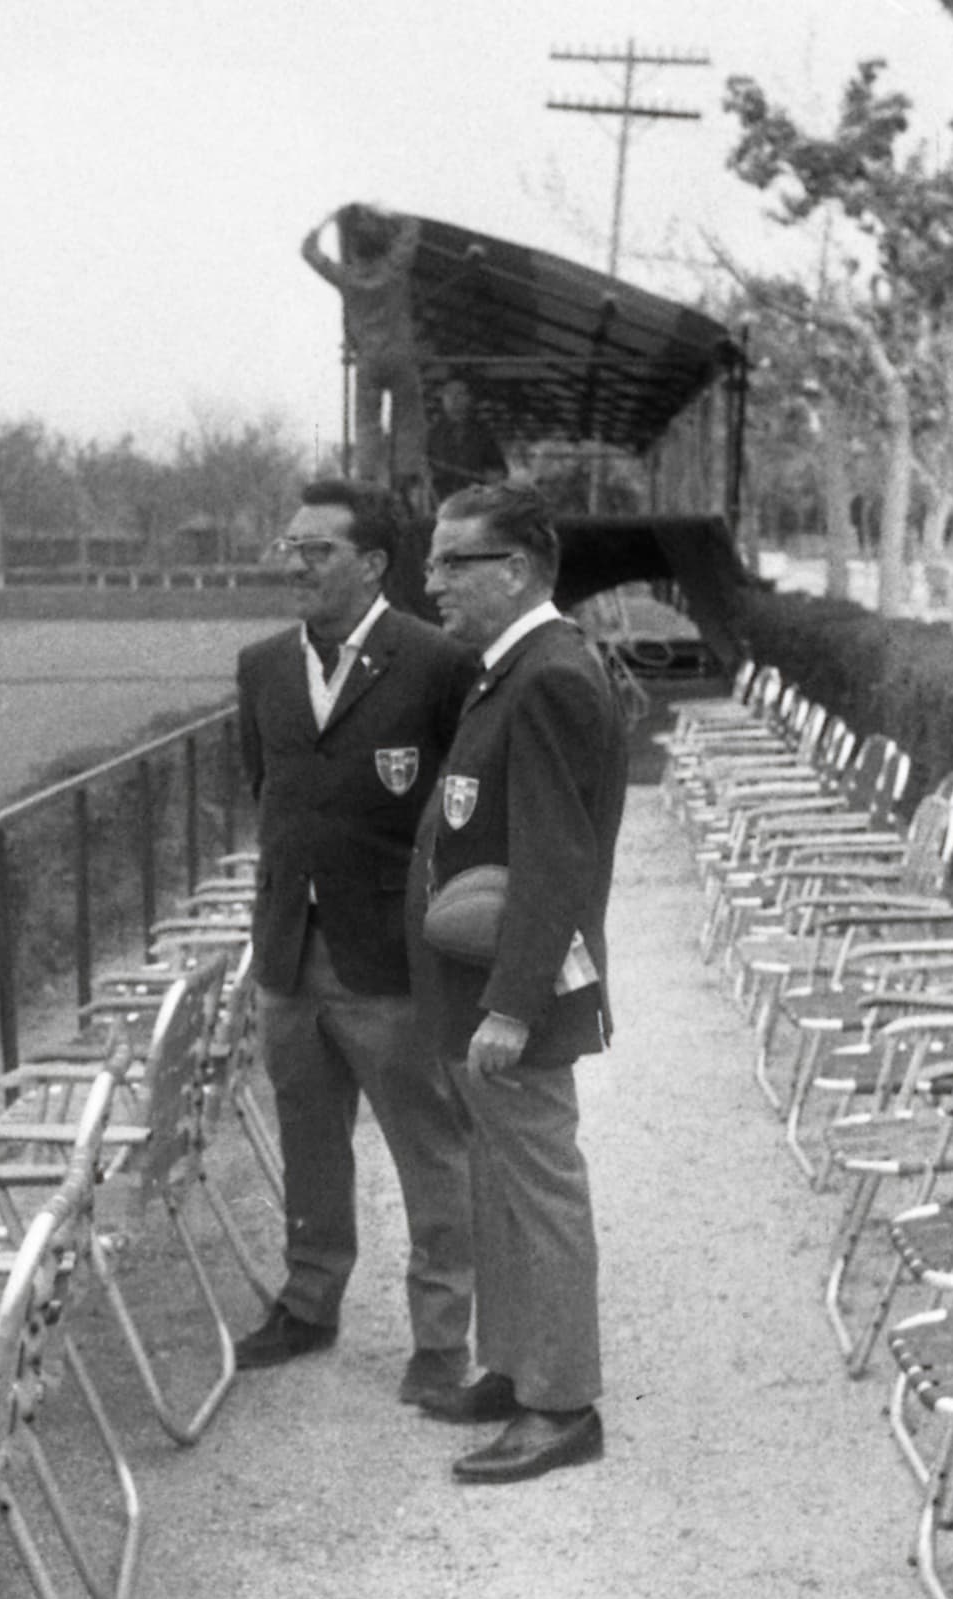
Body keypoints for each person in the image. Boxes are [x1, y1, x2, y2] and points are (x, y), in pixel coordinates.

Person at [235, 477, 476, 1404]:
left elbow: (462, 803)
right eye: (289, 547)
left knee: (429, 1145)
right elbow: (269, 793)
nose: (295, 564)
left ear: (372, 563)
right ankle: (309, 1300)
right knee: (309, 1138)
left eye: (317, 549)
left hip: (391, 961)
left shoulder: (436, 663)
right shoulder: (263, 666)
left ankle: (441, 1337)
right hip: (288, 951)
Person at [407, 481, 628, 1483]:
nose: (432, 581)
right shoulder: (512, 668)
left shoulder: (548, 677)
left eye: (454, 562)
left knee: (539, 1193)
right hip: (486, 986)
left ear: (518, 570)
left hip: (515, 995)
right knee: (497, 1186)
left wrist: (510, 1006)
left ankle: (561, 1402)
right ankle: (512, 1365)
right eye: (433, 560)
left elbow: (554, 861)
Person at [302, 205, 427, 497]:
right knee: (409, 416)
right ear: (384, 247)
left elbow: (308, 251)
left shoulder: (346, 277)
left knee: (367, 421)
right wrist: (388, 212)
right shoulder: (395, 268)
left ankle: (367, 476)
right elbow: (412, 228)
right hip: (400, 355)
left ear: (354, 252)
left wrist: (326, 220)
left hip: (368, 359)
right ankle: (407, 474)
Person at [426, 373, 507, 504]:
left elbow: (498, 468)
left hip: (475, 501)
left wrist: (494, 475)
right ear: (442, 398)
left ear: (469, 398)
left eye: (459, 393)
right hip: (441, 502)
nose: (453, 398)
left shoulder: (482, 433)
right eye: (448, 393)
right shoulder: (431, 434)